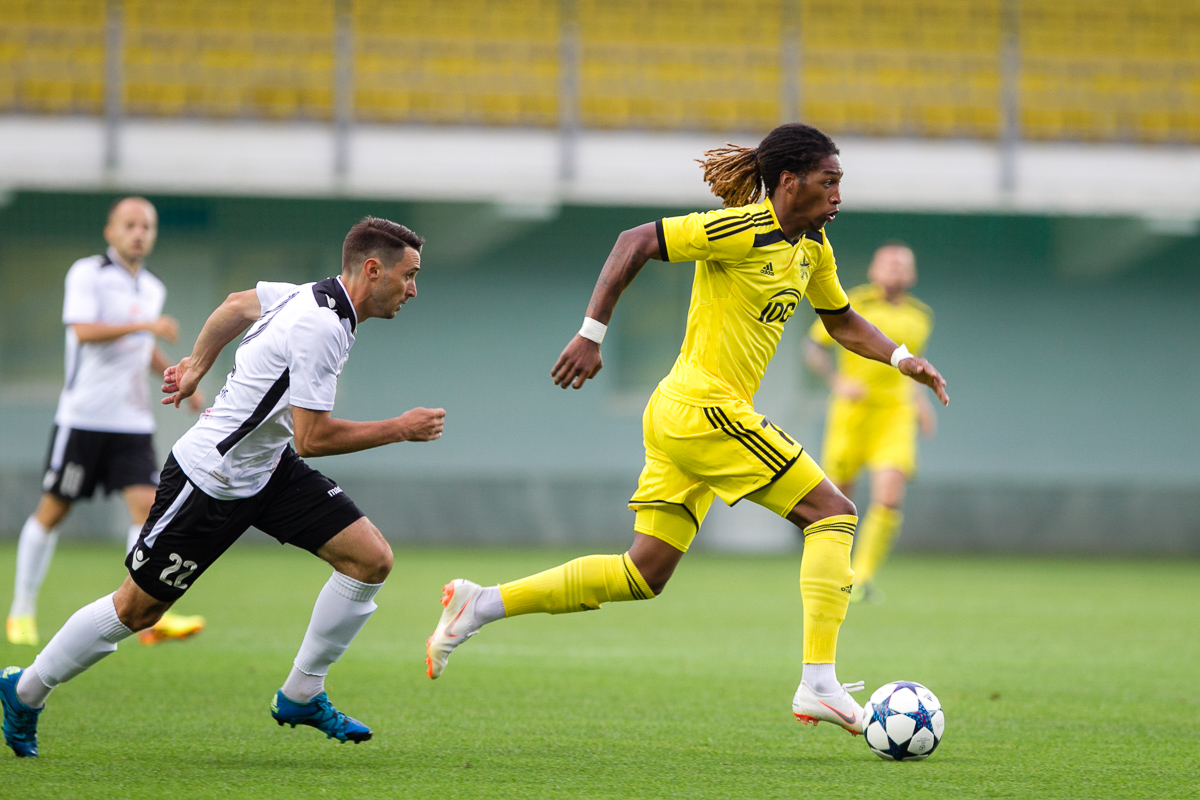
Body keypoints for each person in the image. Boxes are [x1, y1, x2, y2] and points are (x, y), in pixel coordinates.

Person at [424, 123, 948, 739]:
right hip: (704, 408)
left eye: (840, 183)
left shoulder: (813, 249)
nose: (838, 195)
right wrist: (591, 335)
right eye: (828, 181)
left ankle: (479, 604)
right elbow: (635, 241)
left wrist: (900, 359)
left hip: (685, 415)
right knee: (833, 513)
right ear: (789, 181)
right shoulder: (741, 229)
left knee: (642, 573)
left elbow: (841, 319)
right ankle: (818, 681)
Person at [1, 216, 446, 758]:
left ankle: (302, 693)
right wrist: (400, 428)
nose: (413, 289)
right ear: (373, 270)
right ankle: (25, 690)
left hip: (267, 469)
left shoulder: (309, 294)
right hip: (209, 480)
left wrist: (195, 366)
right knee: (136, 611)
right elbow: (312, 438)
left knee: (370, 559)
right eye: (409, 275)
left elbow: (236, 305)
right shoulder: (322, 326)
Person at [6, 197, 206, 648]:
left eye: (146, 226)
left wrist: (180, 378)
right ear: (110, 231)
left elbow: (140, 348)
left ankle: (146, 616)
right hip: (84, 417)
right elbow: (82, 330)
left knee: (147, 510)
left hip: (132, 421)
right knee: (54, 511)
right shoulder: (87, 273)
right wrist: (146, 326)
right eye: (129, 225)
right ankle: (21, 609)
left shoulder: (151, 287)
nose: (139, 233)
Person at [804, 243, 936, 604]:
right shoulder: (852, 303)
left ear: (912, 274)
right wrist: (837, 382)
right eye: (888, 263)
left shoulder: (921, 316)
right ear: (873, 270)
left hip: (895, 415)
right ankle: (833, 573)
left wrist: (921, 403)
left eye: (902, 265)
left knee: (890, 496)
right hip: (852, 414)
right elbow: (813, 348)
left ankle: (861, 578)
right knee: (837, 500)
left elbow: (912, 366)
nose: (895, 269)